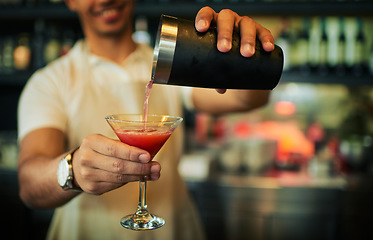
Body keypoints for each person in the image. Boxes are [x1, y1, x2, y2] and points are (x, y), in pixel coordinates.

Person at [17, 0, 275, 239]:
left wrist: (245, 56)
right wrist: (72, 170)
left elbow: (247, 100)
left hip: (174, 231)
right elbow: (29, 186)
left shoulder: (173, 60)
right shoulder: (50, 81)